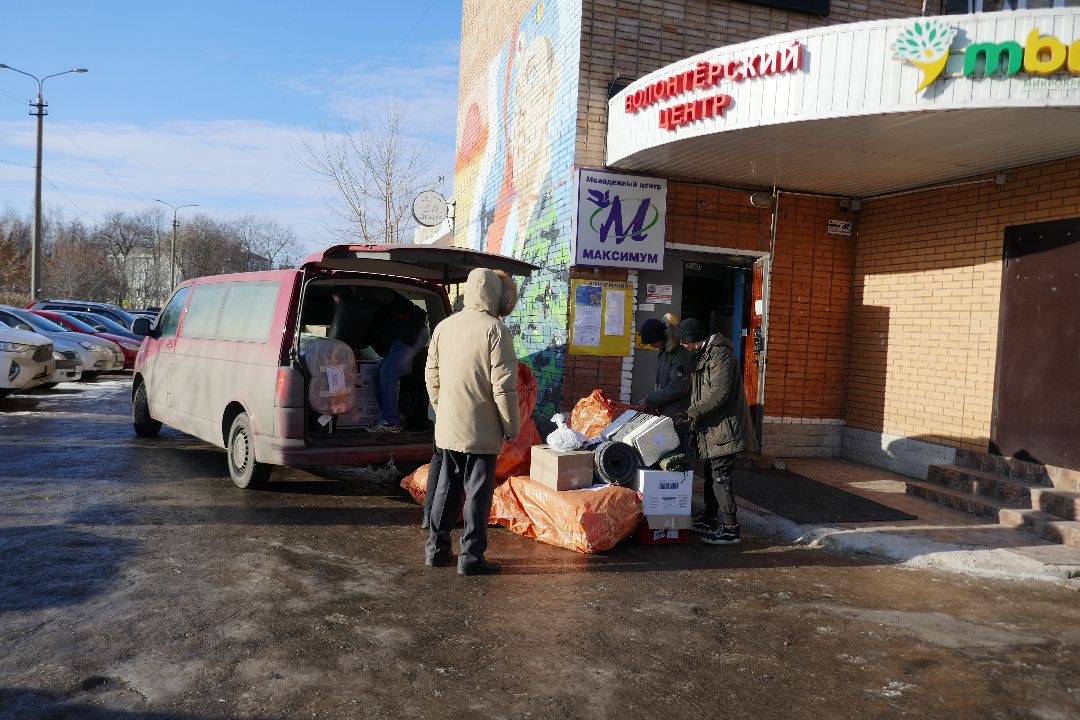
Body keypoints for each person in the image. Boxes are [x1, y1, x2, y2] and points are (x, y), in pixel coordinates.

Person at [424, 268, 520, 575]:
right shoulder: (496, 330)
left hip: (449, 424)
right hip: (482, 427)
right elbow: (503, 386)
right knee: (477, 493)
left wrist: (442, 407)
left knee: (445, 488)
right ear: (494, 294)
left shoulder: (444, 326)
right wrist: (511, 427)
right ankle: (471, 558)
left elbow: (431, 375)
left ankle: (436, 551)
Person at [679, 317, 759, 546]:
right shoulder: (704, 354)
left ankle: (731, 528)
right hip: (713, 428)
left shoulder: (720, 356)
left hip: (725, 427)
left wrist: (691, 413)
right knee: (710, 474)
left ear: (694, 340)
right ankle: (709, 517)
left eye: (685, 342)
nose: (684, 347)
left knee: (720, 476)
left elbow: (718, 395)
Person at [369, 290, 429, 433]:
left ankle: (391, 421)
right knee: (378, 371)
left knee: (389, 372)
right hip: (401, 335)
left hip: (413, 332)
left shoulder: (375, 292)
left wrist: (366, 293)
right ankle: (387, 417)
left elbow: (388, 296)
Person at [637, 313, 691, 453]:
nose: (652, 346)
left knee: (679, 458)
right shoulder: (665, 353)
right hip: (667, 416)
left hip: (679, 417)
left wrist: (651, 400)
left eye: (652, 342)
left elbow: (678, 387)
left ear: (659, 338)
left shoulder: (679, 354)